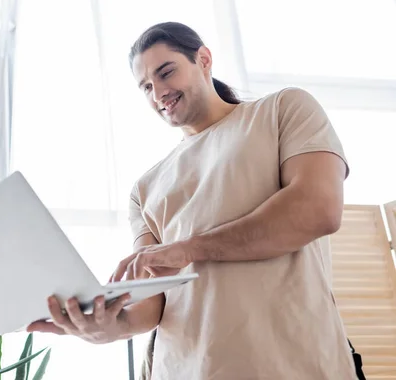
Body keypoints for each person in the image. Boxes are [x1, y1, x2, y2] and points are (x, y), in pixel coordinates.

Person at [27, 21, 358, 380]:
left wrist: (187, 249)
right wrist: (107, 326)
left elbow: (316, 210)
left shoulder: (283, 110)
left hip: (294, 365)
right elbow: (150, 302)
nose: (159, 93)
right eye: (146, 87)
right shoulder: (145, 188)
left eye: (166, 72)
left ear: (203, 59)